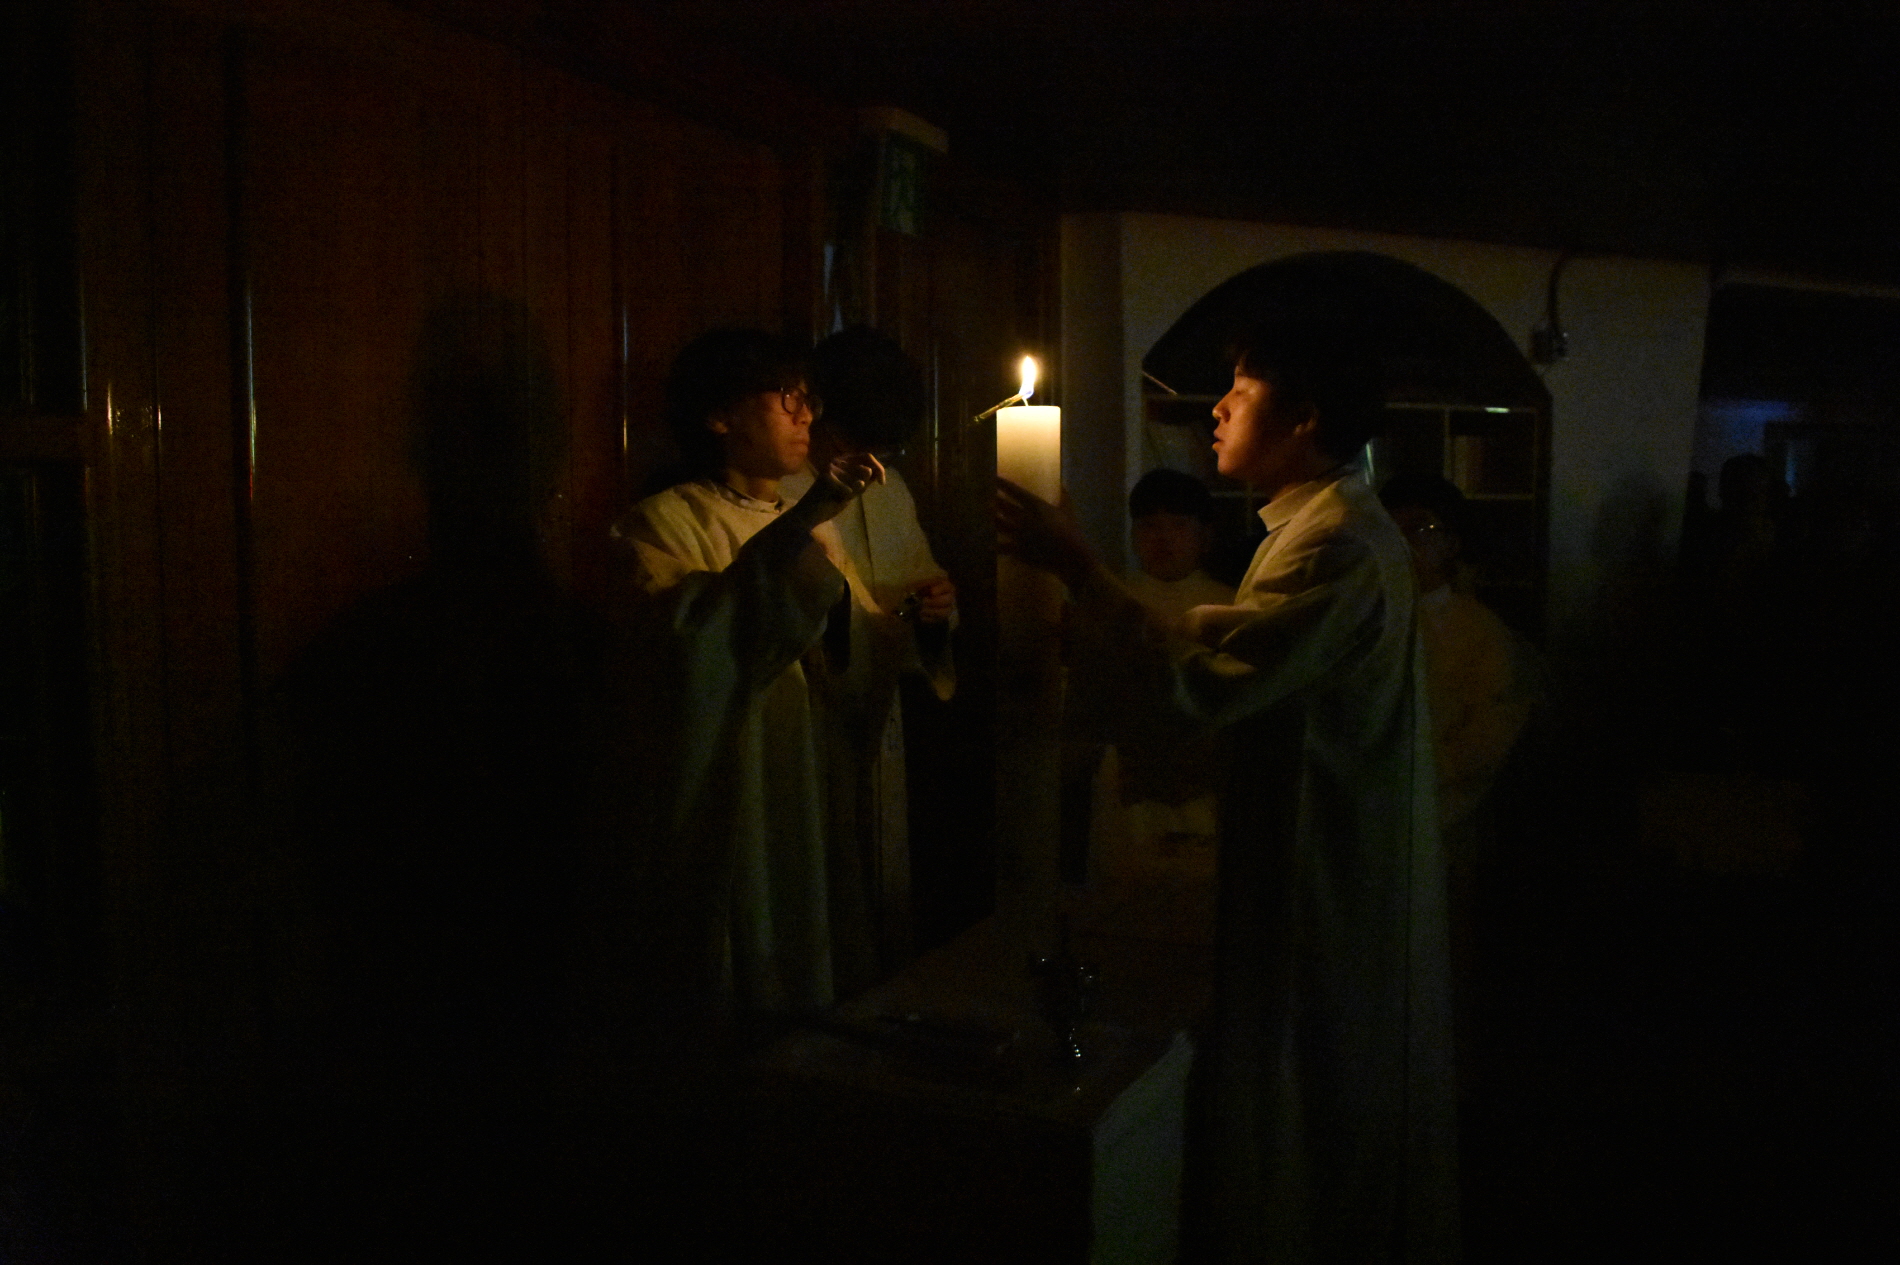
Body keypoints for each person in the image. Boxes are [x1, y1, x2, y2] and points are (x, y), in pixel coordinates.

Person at [998, 321, 1457, 1263]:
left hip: (1323, 867)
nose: (1216, 409)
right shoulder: (1317, 529)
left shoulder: (1336, 544)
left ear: (1305, 417)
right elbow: (1226, 648)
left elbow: (1202, 680)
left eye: (1241, 395)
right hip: (1314, 850)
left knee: (1312, 1087)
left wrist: (1079, 569)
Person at [609, 328, 885, 1029]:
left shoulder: (817, 526)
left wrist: (913, 624)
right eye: (785, 395)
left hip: (808, 767)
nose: (806, 413)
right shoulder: (662, 523)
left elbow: (857, 649)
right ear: (719, 415)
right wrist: (805, 522)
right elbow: (693, 649)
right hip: (744, 784)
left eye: (808, 396)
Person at [779, 325, 956, 974]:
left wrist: (935, 610)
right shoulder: (783, 489)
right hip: (809, 717)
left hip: (879, 720)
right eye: (851, 441)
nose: (867, 462)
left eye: (882, 449)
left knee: (876, 889)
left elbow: (918, 578)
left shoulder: (889, 487)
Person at [1088, 470, 1235, 886]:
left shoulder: (1230, 605)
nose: (1163, 538)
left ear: (1204, 536)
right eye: (1149, 526)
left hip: (1205, 781)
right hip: (1127, 777)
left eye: (1178, 525)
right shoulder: (1113, 600)